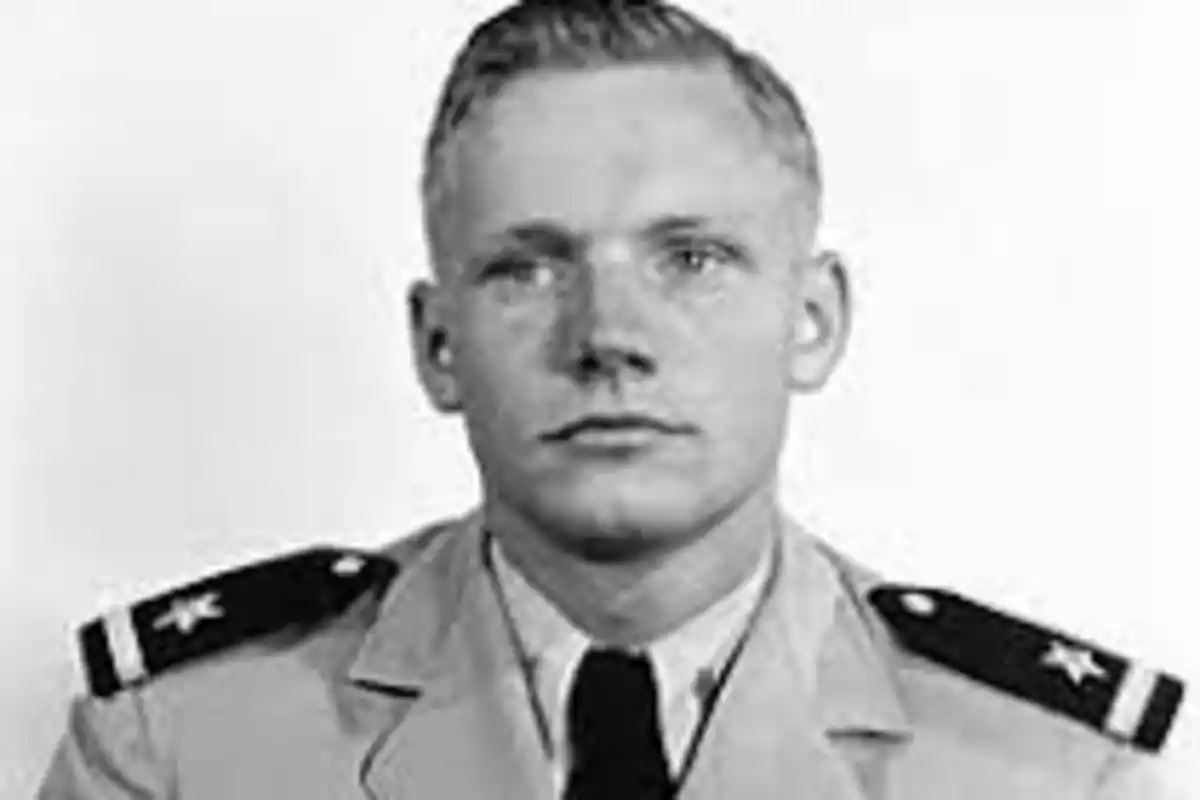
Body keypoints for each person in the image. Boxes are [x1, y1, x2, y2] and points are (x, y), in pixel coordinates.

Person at [38, 1, 1185, 798]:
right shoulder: (181, 743)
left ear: (814, 319)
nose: (609, 339)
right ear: (438, 343)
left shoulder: (1049, 769)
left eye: (691, 258)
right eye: (528, 268)